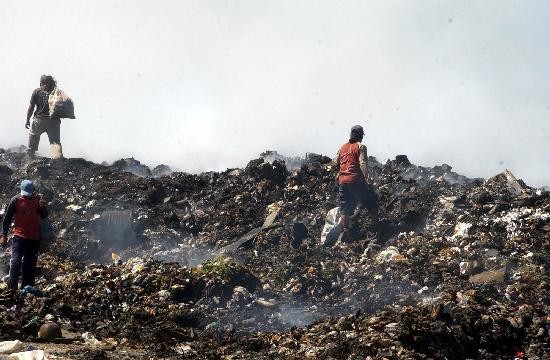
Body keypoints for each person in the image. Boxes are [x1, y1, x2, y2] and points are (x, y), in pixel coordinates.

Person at [326, 125, 378, 244]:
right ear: (361, 135)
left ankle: (346, 234)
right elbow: (363, 163)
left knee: (346, 209)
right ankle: (376, 227)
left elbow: (336, 163)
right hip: (356, 180)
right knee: (372, 202)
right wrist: (366, 178)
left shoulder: (342, 147)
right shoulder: (361, 146)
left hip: (343, 182)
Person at [0, 180, 48, 293]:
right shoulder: (15, 200)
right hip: (19, 237)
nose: (26, 195)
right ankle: (12, 289)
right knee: (15, 262)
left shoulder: (37, 200)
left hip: (34, 238)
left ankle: (27, 291)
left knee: (29, 265)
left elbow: (44, 216)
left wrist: (43, 207)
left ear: (33, 191)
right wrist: (3, 235)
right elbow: (6, 220)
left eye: (28, 193)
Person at [26, 74, 62, 159]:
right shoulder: (58, 92)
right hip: (53, 121)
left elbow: (31, 107)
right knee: (55, 142)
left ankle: (31, 156)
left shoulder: (37, 91)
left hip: (39, 120)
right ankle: (57, 161)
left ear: (42, 82)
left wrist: (27, 119)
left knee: (34, 136)